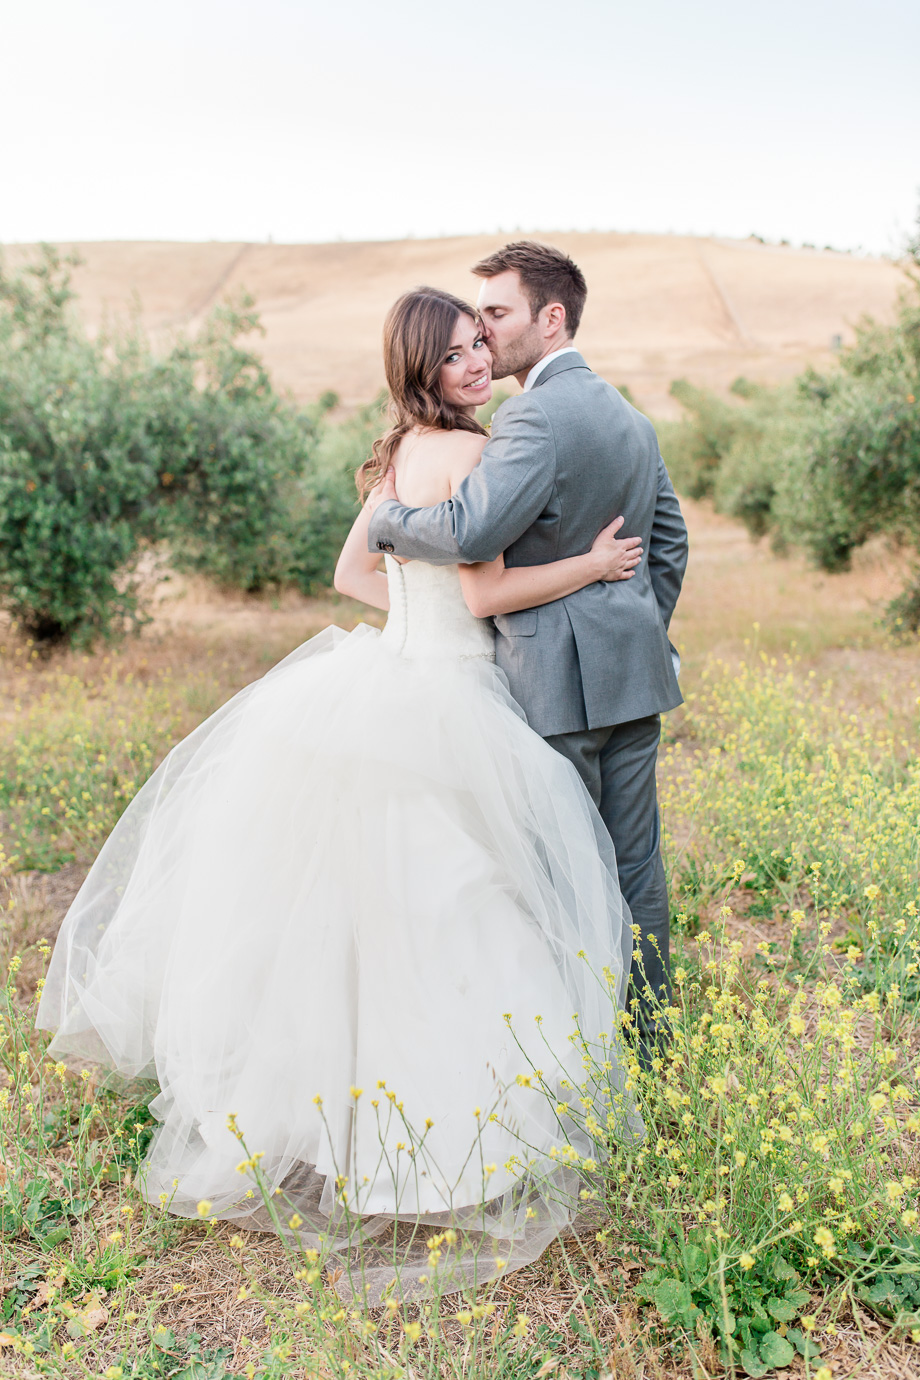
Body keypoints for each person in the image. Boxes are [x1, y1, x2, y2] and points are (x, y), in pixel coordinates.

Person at [37, 285, 642, 1303]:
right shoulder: (470, 453)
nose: (473, 364)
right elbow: (488, 593)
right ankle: (446, 1147)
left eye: (474, 346)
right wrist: (587, 564)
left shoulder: (400, 448)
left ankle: (337, 1133)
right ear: (420, 368)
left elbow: (350, 571)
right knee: (453, 913)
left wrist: (417, 610)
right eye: (451, 355)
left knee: (362, 918)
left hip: (384, 674)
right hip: (445, 695)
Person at [367, 242, 688, 1048]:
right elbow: (671, 543)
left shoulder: (531, 416)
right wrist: (638, 632)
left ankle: (576, 1047)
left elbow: (471, 528)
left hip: (551, 682)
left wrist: (390, 522)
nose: (485, 334)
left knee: (560, 874)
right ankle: (648, 1041)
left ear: (551, 319)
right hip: (633, 679)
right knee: (637, 865)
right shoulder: (630, 416)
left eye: (497, 317)